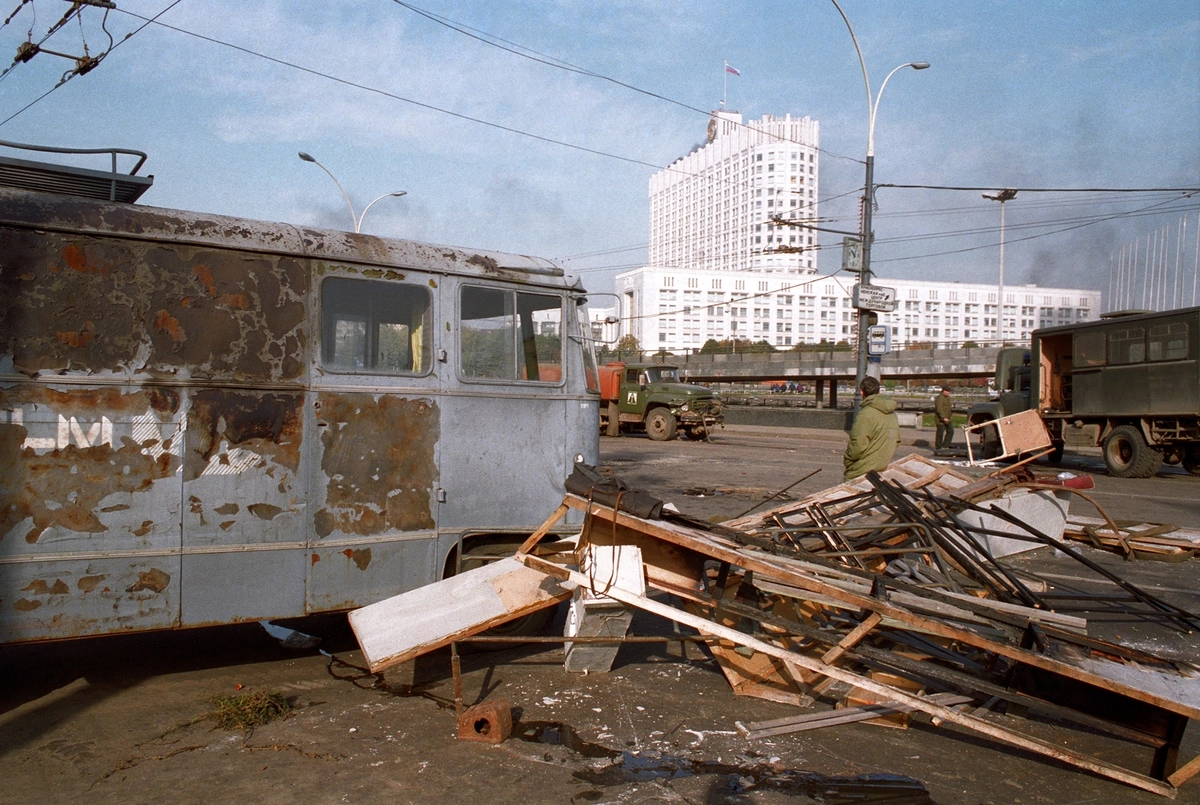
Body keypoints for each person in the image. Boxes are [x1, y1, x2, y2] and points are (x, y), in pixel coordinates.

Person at [843, 376, 900, 481]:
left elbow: (858, 444)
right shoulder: (892, 414)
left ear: (861, 392)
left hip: (863, 468)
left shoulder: (866, 413)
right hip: (882, 465)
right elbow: (896, 440)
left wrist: (847, 460)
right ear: (878, 390)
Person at [934, 386, 954, 450]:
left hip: (947, 418)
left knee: (951, 431)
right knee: (940, 433)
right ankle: (938, 447)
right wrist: (943, 417)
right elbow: (939, 409)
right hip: (941, 419)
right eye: (948, 391)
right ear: (944, 391)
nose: (949, 393)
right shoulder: (940, 398)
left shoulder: (947, 398)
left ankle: (945, 445)